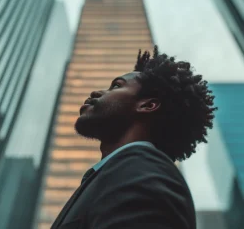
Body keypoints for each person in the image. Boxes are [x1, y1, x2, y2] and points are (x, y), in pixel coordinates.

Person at [51, 46, 217, 229]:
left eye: (116, 86)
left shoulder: (143, 170)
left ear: (147, 105)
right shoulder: (122, 172)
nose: (96, 92)